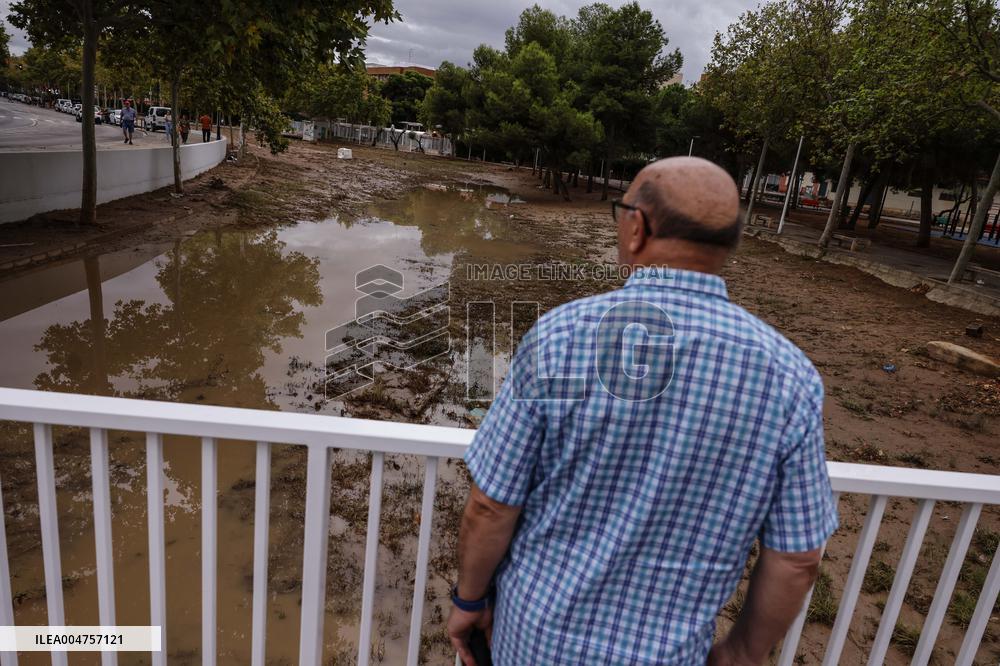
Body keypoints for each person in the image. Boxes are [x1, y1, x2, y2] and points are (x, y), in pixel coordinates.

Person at [447, 157, 838, 666]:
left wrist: (468, 599)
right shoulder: (790, 376)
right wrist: (742, 652)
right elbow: (799, 557)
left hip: (534, 642)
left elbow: (491, 506)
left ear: (637, 227)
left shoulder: (563, 337)